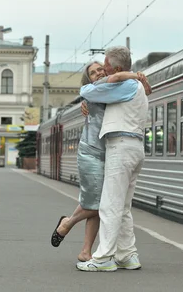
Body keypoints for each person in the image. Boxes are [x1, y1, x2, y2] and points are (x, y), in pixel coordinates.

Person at [50, 60, 151, 262]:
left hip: (111, 152)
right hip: (91, 152)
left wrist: (142, 82)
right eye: (93, 72)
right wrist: (134, 75)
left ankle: (86, 251)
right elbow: (99, 86)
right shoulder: (93, 91)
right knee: (97, 203)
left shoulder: (116, 91)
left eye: (100, 70)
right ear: (89, 78)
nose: (97, 74)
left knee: (97, 202)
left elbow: (142, 92)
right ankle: (67, 224)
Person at [76, 46, 148, 272]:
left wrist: (116, 78)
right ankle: (127, 255)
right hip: (134, 147)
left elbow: (87, 90)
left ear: (117, 68)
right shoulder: (133, 85)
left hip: (121, 145)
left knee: (110, 205)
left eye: (106, 67)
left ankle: (103, 257)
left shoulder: (125, 85)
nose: (104, 71)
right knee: (124, 207)